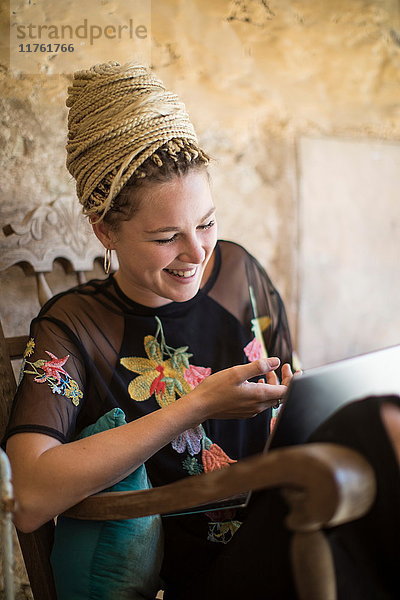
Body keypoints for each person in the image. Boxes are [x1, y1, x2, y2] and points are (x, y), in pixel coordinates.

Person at [4, 61, 295, 599]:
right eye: (166, 237)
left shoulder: (239, 273)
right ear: (105, 230)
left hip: (292, 523)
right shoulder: (76, 325)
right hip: (211, 574)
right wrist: (195, 406)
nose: (197, 253)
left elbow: (293, 399)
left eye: (207, 223)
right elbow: (30, 494)